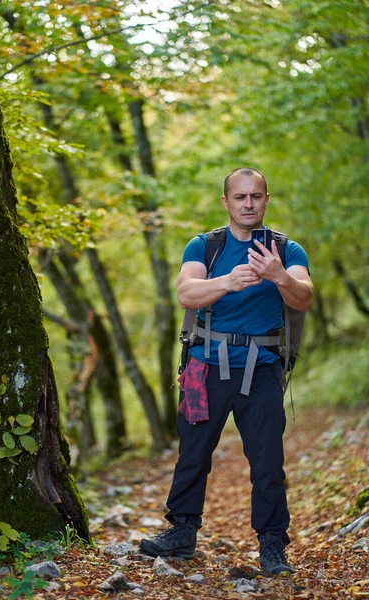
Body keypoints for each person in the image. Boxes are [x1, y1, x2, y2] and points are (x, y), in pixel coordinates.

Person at [139, 167, 313, 574]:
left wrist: (278, 275)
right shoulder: (205, 246)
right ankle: (181, 532)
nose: (248, 204)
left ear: (266, 200)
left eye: (256, 196)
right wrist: (228, 282)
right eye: (240, 197)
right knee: (193, 455)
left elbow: (303, 298)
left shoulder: (288, 250)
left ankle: (272, 545)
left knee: (268, 462)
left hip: (264, 369)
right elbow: (186, 293)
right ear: (226, 202)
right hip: (205, 368)